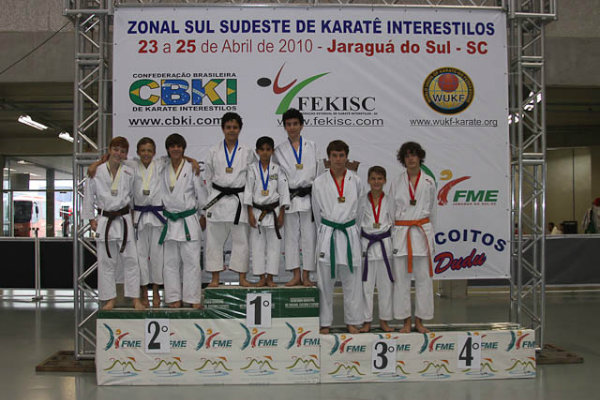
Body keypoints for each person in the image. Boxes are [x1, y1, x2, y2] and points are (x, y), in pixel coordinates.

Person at [83, 137, 144, 310]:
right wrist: (91, 219)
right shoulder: (96, 171)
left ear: (126, 154)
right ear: (109, 150)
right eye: (116, 149)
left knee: (132, 260)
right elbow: (89, 196)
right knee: (106, 262)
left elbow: (134, 197)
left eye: (122, 151)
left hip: (124, 220)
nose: (119, 153)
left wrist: (134, 217)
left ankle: (135, 298)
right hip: (105, 220)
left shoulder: (130, 171)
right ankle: (110, 298)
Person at [312, 140, 364, 334]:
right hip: (328, 233)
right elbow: (317, 213)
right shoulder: (319, 182)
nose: (338, 159)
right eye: (334, 155)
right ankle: (325, 322)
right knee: (325, 282)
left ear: (347, 157)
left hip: (349, 234)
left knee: (352, 282)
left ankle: (353, 321)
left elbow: (360, 211)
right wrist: (326, 229)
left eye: (342, 155)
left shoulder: (356, 180)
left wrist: (351, 229)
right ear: (329, 158)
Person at [203, 112, 255, 287]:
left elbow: (251, 179)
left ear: (240, 129)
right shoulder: (213, 151)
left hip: (239, 200)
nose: (231, 130)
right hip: (217, 200)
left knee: (242, 241)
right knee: (213, 241)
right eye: (228, 127)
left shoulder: (247, 152)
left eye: (235, 127)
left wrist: (249, 202)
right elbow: (207, 177)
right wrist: (211, 199)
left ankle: (242, 278)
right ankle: (215, 278)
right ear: (223, 128)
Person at [390, 141, 436, 333]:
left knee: (424, 280)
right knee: (401, 281)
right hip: (402, 235)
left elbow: (433, 212)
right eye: (407, 156)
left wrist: (431, 237)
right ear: (403, 159)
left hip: (422, 233)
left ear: (420, 157)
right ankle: (406, 321)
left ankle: (420, 321)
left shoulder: (429, 182)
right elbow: (390, 211)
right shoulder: (396, 182)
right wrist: (393, 236)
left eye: (414, 155)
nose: (410, 159)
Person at [274, 108, 320, 287]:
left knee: (309, 237)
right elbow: (277, 178)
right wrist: (281, 203)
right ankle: (295, 274)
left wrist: (318, 199)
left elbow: (319, 174)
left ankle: (306, 275)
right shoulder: (279, 150)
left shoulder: (312, 146)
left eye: (295, 124)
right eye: (288, 124)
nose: (292, 127)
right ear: (284, 126)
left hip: (309, 197)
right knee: (291, 237)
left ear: (301, 125)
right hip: (290, 197)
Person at [160, 133, 207, 308]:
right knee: (170, 263)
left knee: (192, 262)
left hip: (188, 220)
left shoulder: (192, 168)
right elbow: (139, 161)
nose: (175, 149)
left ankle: (192, 298)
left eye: (179, 146)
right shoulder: (162, 167)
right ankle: (173, 298)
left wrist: (203, 214)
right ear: (168, 149)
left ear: (183, 148)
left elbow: (200, 192)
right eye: (172, 146)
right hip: (169, 221)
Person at [244, 136, 290, 287]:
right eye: (262, 149)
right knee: (257, 247)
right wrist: (249, 213)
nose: (265, 152)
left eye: (268, 149)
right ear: (257, 151)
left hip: (274, 211)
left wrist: (282, 213)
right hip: (257, 211)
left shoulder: (278, 169)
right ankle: (260, 277)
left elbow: (283, 191)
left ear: (272, 151)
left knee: (274, 247)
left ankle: (270, 277)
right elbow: (248, 191)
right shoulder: (252, 169)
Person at [131, 138, 167, 308]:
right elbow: (112, 159)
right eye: (143, 150)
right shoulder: (131, 166)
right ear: (138, 152)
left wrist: (194, 162)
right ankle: (144, 292)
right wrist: (96, 164)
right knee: (140, 257)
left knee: (158, 256)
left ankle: (156, 291)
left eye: (149, 150)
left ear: (154, 152)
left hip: (157, 216)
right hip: (139, 216)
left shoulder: (160, 164)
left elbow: (179, 156)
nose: (146, 153)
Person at [359, 166, 395, 333]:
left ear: (385, 180)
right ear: (368, 180)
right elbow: (357, 223)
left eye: (379, 179)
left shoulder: (390, 200)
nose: (376, 182)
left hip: (384, 245)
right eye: (373, 178)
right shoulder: (361, 200)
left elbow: (394, 223)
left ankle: (384, 320)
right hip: (366, 245)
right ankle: (366, 321)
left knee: (385, 287)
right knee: (365, 287)